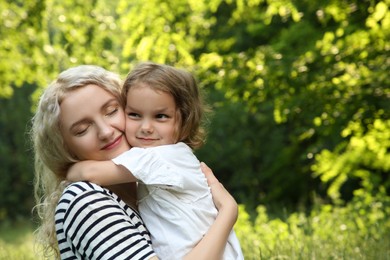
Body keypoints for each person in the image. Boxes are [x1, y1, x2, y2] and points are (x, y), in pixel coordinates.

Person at [31, 64, 239, 259]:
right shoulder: (85, 200)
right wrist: (228, 212)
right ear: (65, 149)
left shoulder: (148, 187)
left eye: (112, 111)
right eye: (82, 130)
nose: (105, 131)